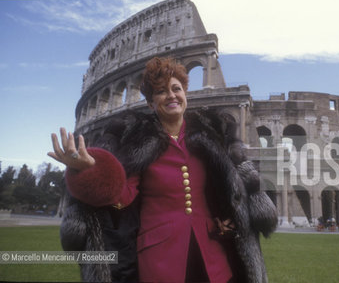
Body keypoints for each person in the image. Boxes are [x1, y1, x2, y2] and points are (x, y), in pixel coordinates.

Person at [49, 57, 278, 283]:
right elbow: (122, 196)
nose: (171, 95)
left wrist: (229, 220)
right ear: (151, 103)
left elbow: (227, 192)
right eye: (160, 91)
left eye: (176, 88)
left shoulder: (212, 139)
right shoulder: (139, 144)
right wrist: (90, 170)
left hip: (213, 254)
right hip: (159, 257)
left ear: (185, 94)